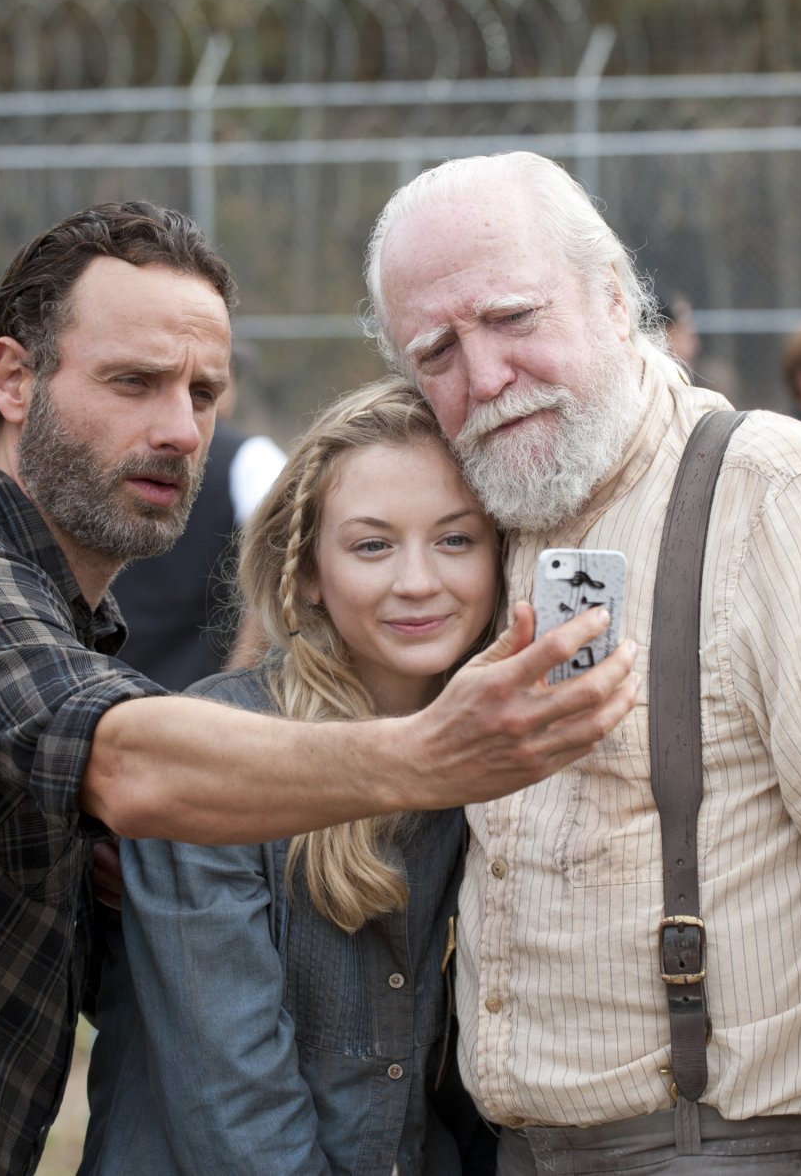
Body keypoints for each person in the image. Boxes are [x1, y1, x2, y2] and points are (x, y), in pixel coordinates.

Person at [0, 201, 640, 1176]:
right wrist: (430, 757)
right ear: (15, 379)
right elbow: (127, 760)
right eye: (134, 382)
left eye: (204, 394)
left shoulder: (76, 640)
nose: (180, 429)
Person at [364, 151, 801, 1176]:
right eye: (436, 349)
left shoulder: (787, 498)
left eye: (513, 318)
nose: (483, 375)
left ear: (617, 295)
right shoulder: (475, 530)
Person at [81, 377, 501, 1175]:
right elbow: (230, 1105)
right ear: (307, 570)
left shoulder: (497, 769)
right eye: (372, 545)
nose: (418, 581)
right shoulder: (220, 749)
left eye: (456, 539)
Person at [109, 341, 286, 689]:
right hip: (191, 693)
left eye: (207, 387)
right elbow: (281, 566)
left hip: (99, 685)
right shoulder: (251, 457)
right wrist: (230, 689)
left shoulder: (113, 448)